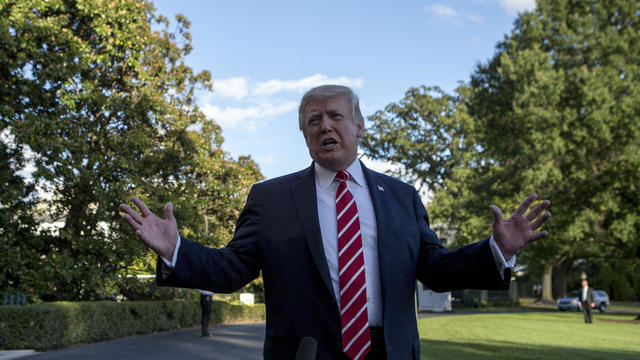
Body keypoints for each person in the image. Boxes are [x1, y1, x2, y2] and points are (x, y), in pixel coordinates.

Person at [119, 85, 551, 359]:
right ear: (304, 134)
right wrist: (175, 249)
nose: (325, 126)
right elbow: (232, 268)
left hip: (392, 351)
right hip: (306, 353)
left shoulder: (402, 196)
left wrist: (498, 250)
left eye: (336, 116)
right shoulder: (270, 198)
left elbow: (435, 269)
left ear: (359, 126)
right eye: (313, 121)